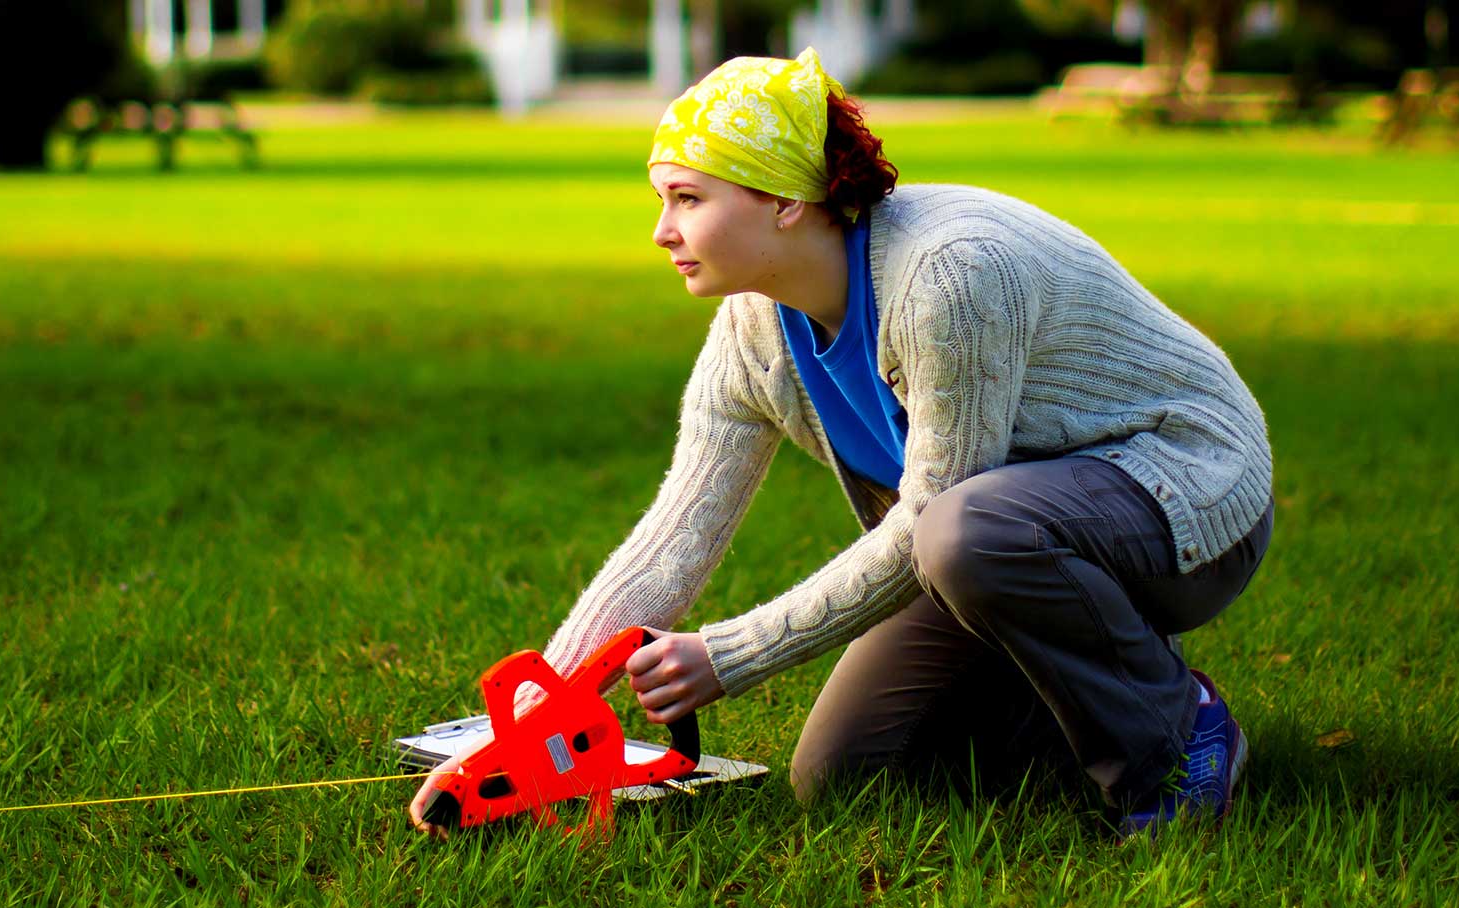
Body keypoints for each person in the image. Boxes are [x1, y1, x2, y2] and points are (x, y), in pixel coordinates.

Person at [411, 48, 1273, 837]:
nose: (661, 231)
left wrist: (728, 655)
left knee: (967, 533)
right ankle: (1104, 684)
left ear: (786, 199)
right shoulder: (754, 323)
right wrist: (527, 730)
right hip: (996, 534)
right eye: (661, 200)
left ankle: (1175, 736)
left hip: (1182, 500)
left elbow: (936, 516)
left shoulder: (950, 277)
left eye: (688, 199)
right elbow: (678, 534)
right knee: (845, 776)